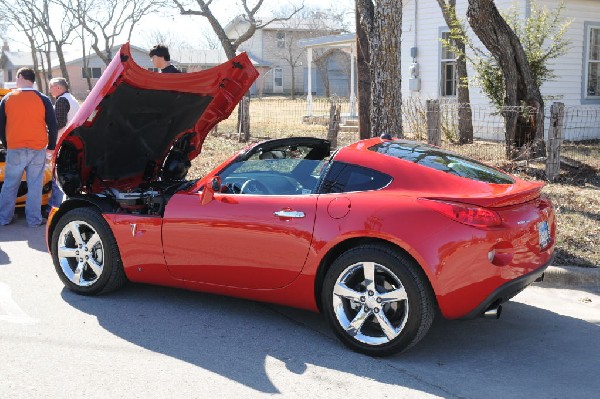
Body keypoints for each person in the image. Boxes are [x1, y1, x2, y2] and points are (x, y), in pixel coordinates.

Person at [0, 67, 57, 227]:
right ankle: (34, 220)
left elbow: (1, 126)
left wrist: (6, 144)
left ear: (20, 77)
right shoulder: (43, 99)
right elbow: (52, 125)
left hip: (15, 148)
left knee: (10, 184)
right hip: (37, 148)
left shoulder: (8, 99)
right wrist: (51, 147)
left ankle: (4, 218)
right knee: (35, 185)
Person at [47, 77, 80, 212]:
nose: (49, 91)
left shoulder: (61, 101)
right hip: (72, 141)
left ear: (59, 88)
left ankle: (55, 208)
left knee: (58, 177)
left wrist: (47, 131)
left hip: (62, 142)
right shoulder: (72, 99)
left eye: (51, 87)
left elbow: (59, 123)